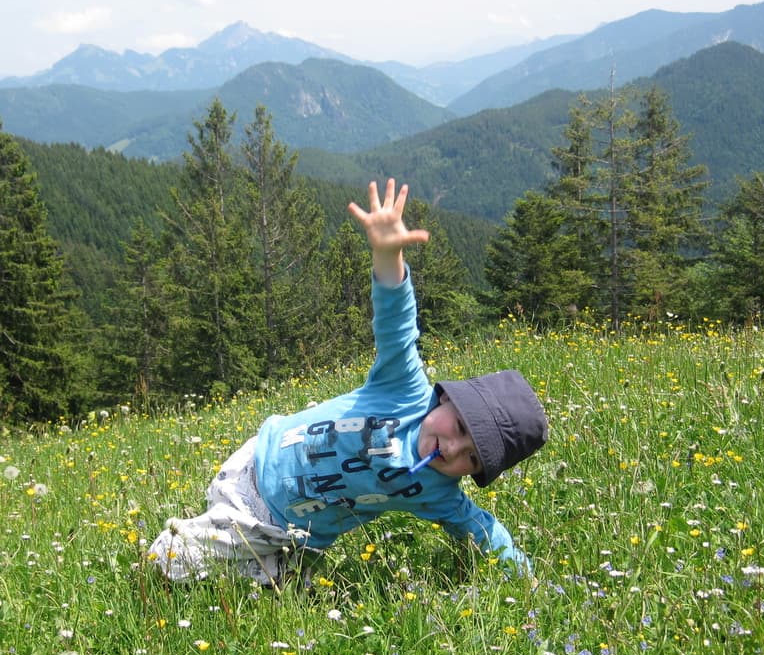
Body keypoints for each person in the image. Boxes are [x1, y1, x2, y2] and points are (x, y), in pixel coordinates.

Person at [149, 178, 548, 586]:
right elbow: (397, 325)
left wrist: (527, 579)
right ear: (445, 399)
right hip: (257, 479)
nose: (453, 448)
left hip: (300, 537)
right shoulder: (406, 390)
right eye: (461, 428)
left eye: (473, 459)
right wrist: (387, 253)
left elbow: (479, 528)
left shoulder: (437, 491)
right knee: (175, 566)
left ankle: (263, 563)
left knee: (273, 590)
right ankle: (164, 560)